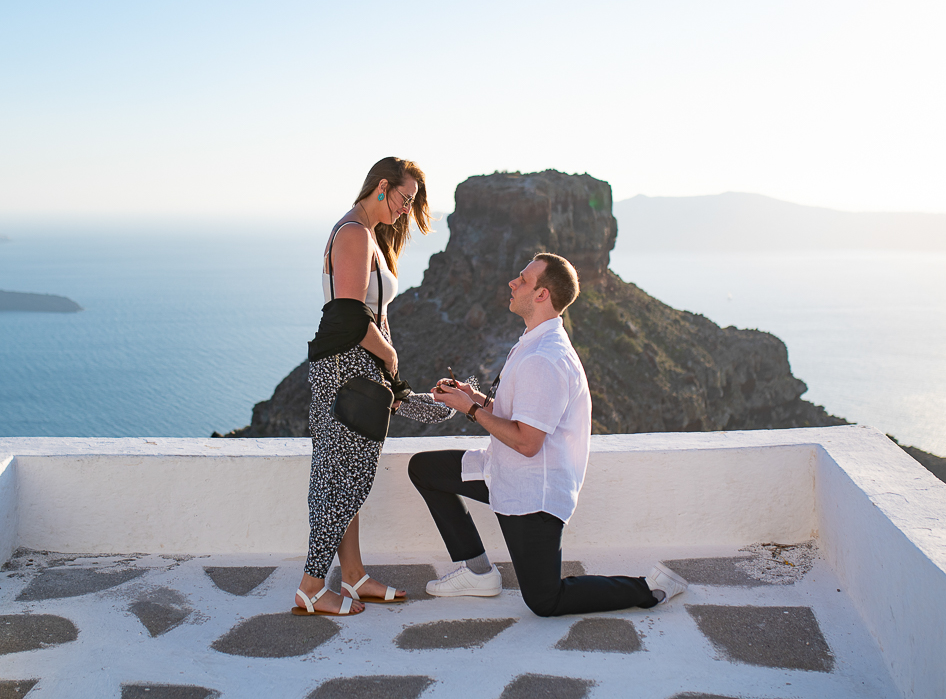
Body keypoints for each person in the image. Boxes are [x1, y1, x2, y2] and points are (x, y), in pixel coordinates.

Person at [417, 252, 690, 616]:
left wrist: (471, 409)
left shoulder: (544, 359)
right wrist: (474, 397)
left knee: (545, 601)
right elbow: (521, 416)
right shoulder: (533, 343)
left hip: (534, 494)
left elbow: (527, 443)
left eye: (523, 280)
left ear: (543, 294)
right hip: (503, 471)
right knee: (425, 469)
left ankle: (650, 588)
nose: (513, 283)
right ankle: (478, 572)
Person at [294, 157, 456, 617]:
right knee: (342, 481)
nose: (406, 209)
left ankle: (353, 576)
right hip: (347, 369)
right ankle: (310, 586)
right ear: (382, 186)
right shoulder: (353, 234)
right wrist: (387, 355)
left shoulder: (366, 234)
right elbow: (347, 313)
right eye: (405, 198)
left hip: (355, 369)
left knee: (344, 477)